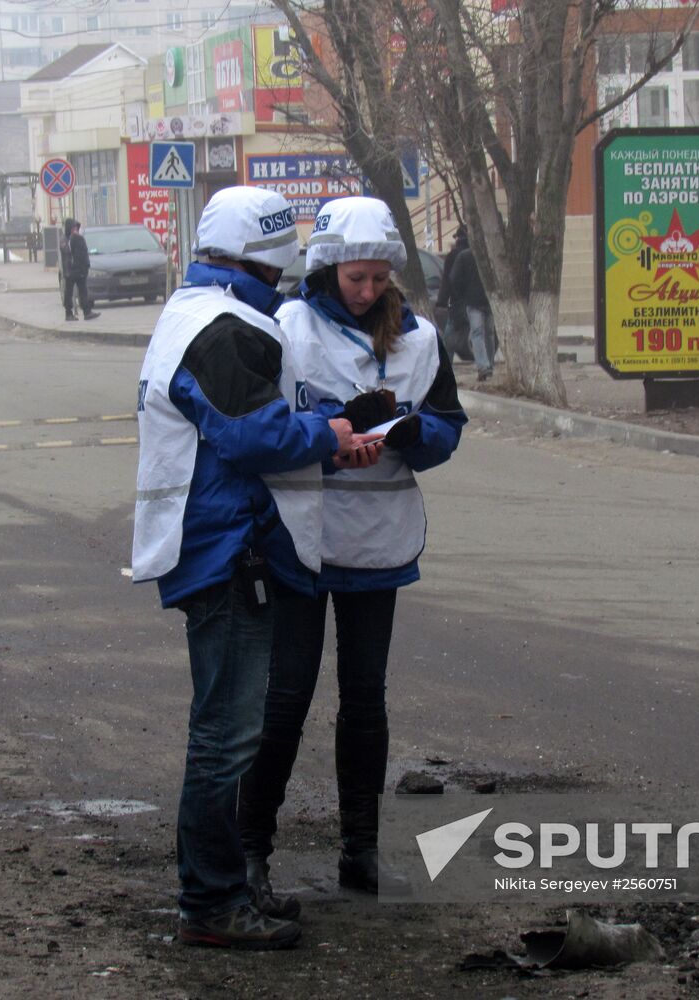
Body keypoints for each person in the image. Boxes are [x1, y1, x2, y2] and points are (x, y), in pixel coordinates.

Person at [131, 185, 376, 950]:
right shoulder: (227, 327)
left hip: (207, 543)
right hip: (224, 550)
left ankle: (222, 888)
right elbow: (252, 438)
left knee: (223, 732)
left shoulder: (191, 311)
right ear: (267, 263)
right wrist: (327, 431)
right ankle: (209, 904)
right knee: (224, 738)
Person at [238, 196, 466, 915]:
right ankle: (251, 856)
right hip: (299, 537)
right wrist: (327, 431)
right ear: (327, 268)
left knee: (365, 700)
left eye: (376, 280)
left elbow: (448, 427)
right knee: (284, 701)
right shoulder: (284, 328)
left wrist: (410, 435)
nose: (365, 292)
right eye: (352, 278)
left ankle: (360, 854)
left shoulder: (420, 340)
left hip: (377, 543)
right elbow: (263, 424)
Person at [449, 240, 495, 380]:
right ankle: (489, 365)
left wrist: (462, 296)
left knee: (477, 333)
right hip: (490, 300)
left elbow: (454, 278)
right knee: (489, 334)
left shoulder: (464, 256)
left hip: (473, 302)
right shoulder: (490, 255)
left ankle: (483, 366)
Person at [433, 224, 470, 361]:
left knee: (450, 335)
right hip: (477, 301)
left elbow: (447, 281)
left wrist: (441, 301)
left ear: (458, 238)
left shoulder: (453, 255)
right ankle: (485, 364)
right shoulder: (478, 254)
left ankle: (446, 361)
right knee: (481, 334)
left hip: (457, 301)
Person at [63, 219, 98, 320]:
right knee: (71, 292)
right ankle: (70, 313)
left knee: (81, 291)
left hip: (75, 270)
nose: (75, 229)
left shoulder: (73, 238)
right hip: (73, 270)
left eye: (76, 228)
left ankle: (85, 312)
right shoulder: (71, 239)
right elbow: (73, 254)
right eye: (74, 227)